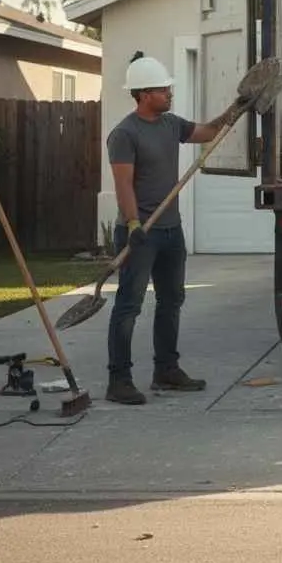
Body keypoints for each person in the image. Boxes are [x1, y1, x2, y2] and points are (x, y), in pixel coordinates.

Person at [106, 51, 243, 405]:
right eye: (164, 89)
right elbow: (123, 184)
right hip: (140, 233)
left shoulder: (171, 125)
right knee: (129, 305)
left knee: (171, 300)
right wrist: (134, 223)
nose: (169, 93)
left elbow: (209, 131)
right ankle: (118, 380)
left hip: (170, 230)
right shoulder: (124, 134)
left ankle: (166, 370)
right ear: (143, 94)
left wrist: (237, 107)